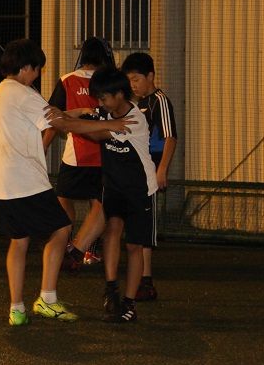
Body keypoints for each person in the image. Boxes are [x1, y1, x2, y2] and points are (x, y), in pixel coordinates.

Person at [0, 39, 134, 326]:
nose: (37, 75)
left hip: (3, 181)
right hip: (27, 180)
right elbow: (61, 124)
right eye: (37, 69)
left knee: (19, 241)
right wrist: (108, 125)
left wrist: (77, 112)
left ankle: (16, 308)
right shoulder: (24, 93)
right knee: (61, 228)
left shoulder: (0, 92)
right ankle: (47, 298)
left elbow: (51, 116)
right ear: (26, 67)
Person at [87, 68, 158, 322]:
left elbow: (94, 132)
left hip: (140, 190)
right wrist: (66, 115)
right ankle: (111, 290)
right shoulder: (105, 113)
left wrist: (64, 121)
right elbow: (87, 120)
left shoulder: (134, 119)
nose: (100, 103)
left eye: (104, 97)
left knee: (134, 246)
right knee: (112, 230)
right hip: (114, 186)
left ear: (119, 94)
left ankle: (129, 304)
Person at [43, 37, 116, 271]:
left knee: (63, 197)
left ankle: (69, 242)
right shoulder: (109, 80)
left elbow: (54, 117)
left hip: (76, 155)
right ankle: (89, 248)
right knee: (99, 203)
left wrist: (43, 145)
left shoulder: (67, 80)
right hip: (105, 153)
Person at [121, 52, 178, 302]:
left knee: (145, 225)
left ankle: (147, 281)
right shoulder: (138, 103)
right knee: (137, 222)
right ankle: (142, 279)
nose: (132, 85)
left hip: (152, 167)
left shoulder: (159, 101)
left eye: (136, 79)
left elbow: (170, 137)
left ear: (151, 76)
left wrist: (162, 169)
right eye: (129, 80)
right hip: (139, 168)